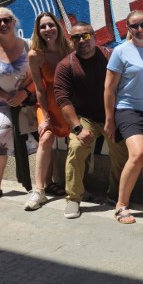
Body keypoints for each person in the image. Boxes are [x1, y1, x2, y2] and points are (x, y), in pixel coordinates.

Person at [54, 22, 129, 220]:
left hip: (113, 116)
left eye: (86, 36)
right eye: (76, 37)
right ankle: (73, 198)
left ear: (95, 37)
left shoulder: (111, 57)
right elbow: (62, 99)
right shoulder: (66, 65)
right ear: (71, 41)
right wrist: (78, 128)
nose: (82, 41)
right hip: (85, 118)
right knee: (76, 148)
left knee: (122, 153)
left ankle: (116, 196)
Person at [104, 10, 143, 224]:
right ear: (128, 28)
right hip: (128, 109)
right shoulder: (120, 52)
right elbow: (109, 89)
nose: (140, 29)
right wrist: (110, 119)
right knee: (138, 153)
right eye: (135, 26)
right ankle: (121, 205)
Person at [0, 8, 36, 203]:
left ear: (14, 21)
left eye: (6, 20)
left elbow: (41, 74)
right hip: (3, 103)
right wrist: (7, 97)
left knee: (43, 135)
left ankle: (45, 183)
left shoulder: (30, 45)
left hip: (31, 100)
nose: (3, 24)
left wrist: (24, 93)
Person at [24, 12, 71, 211]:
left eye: (50, 25)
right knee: (45, 138)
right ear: (38, 31)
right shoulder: (35, 55)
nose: (47, 30)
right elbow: (39, 89)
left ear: (58, 27)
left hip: (68, 104)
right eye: (42, 27)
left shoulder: (69, 50)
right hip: (47, 104)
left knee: (75, 143)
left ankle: (75, 188)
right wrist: (45, 116)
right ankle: (39, 191)